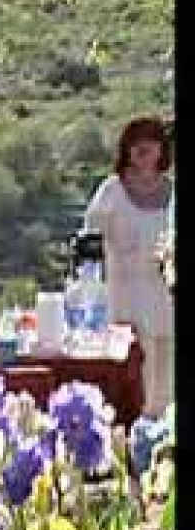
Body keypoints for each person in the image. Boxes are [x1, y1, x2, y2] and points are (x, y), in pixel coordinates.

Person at [85, 116, 174, 417]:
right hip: (124, 313)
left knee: (166, 401)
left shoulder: (173, 194)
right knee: (132, 402)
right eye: (137, 142)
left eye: (151, 141)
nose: (144, 148)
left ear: (162, 149)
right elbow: (88, 248)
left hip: (167, 308)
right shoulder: (111, 192)